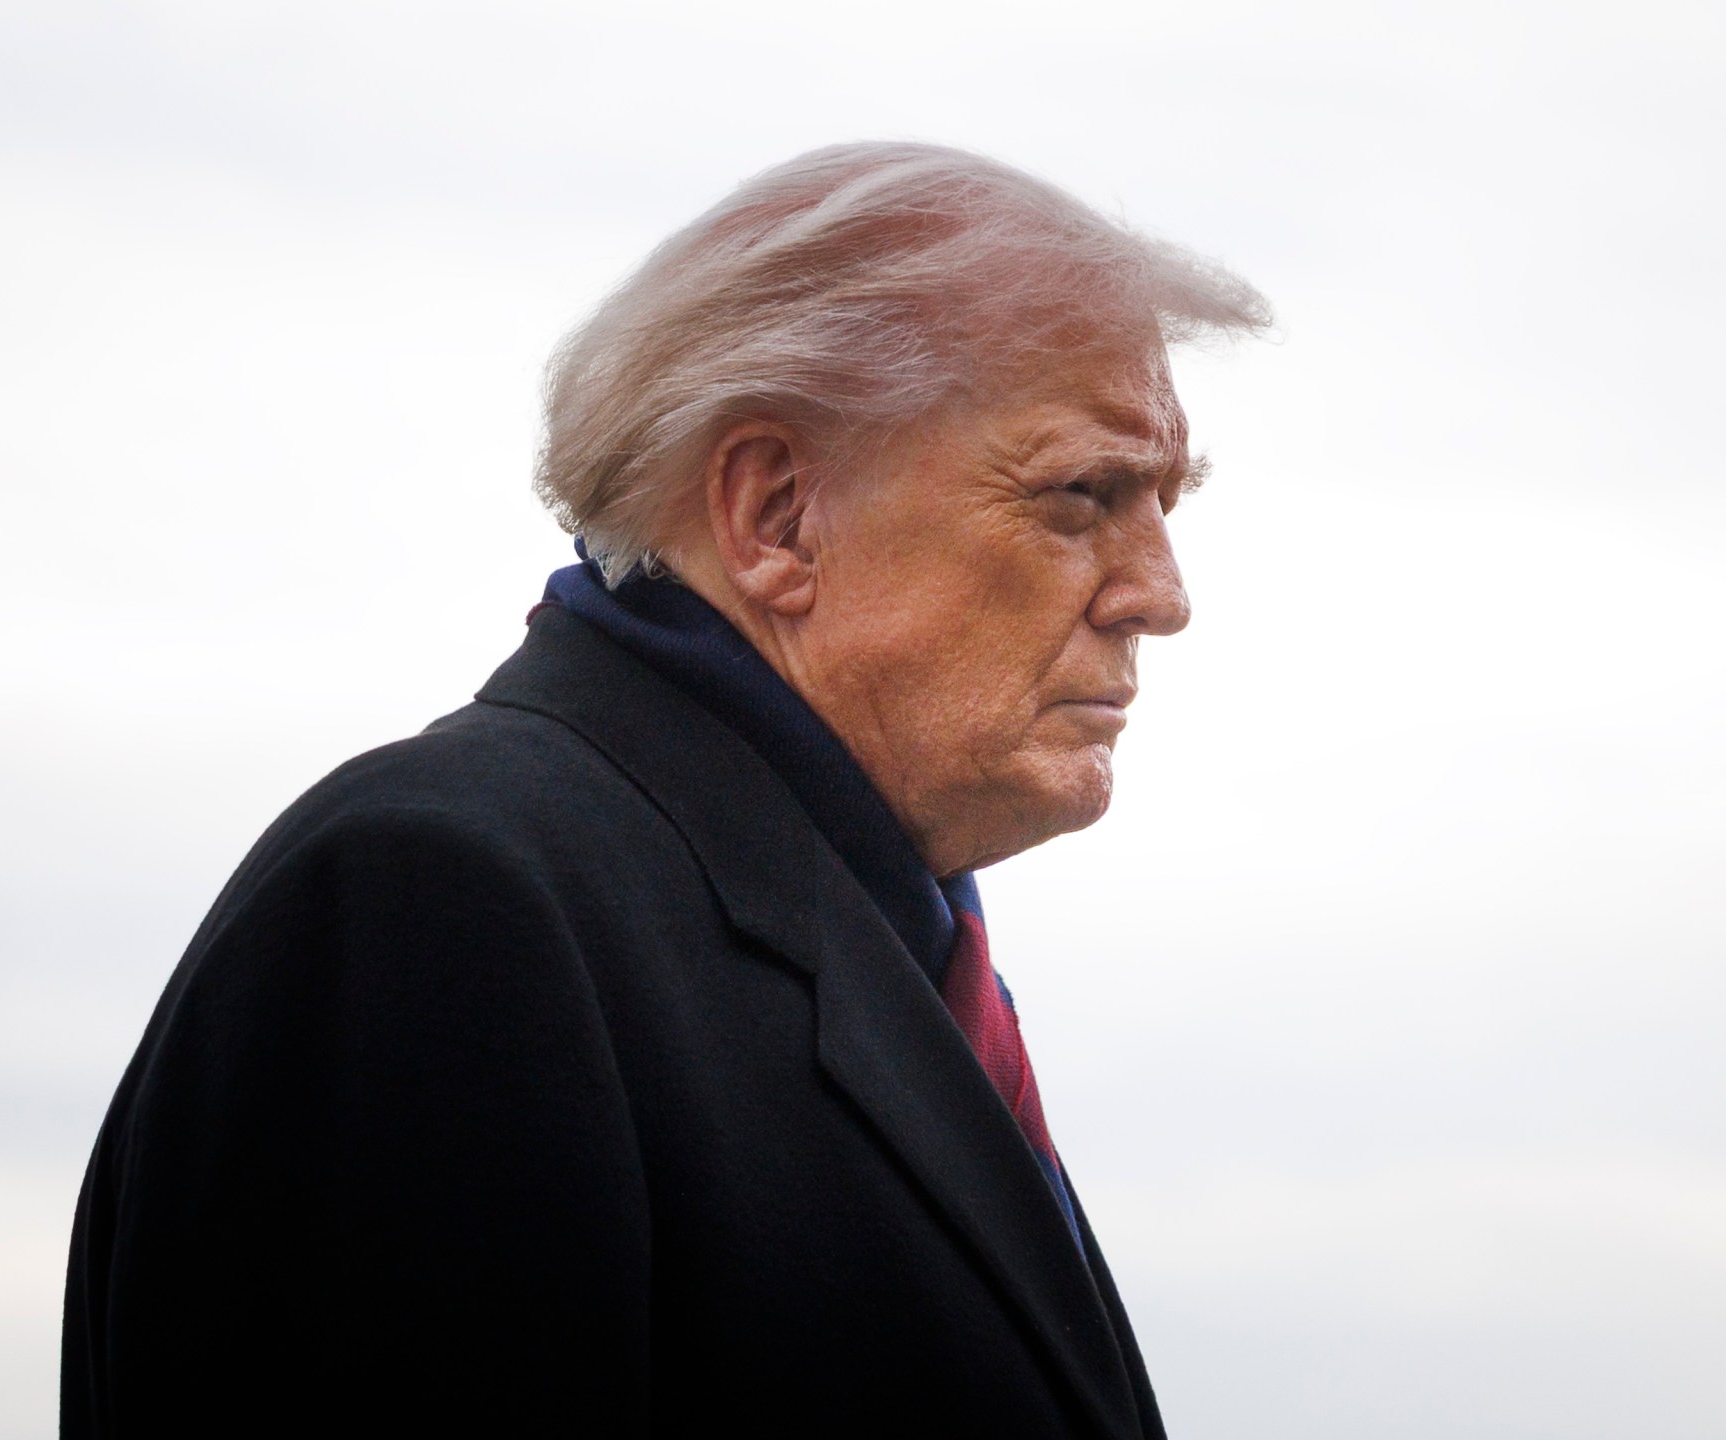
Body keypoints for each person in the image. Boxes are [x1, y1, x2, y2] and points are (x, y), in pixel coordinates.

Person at [62, 142, 1269, 1438]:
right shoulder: (439, 912)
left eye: (1166, 503)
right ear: (776, 516)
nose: (1163, 594)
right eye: (1083, 494)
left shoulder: (844, 928)